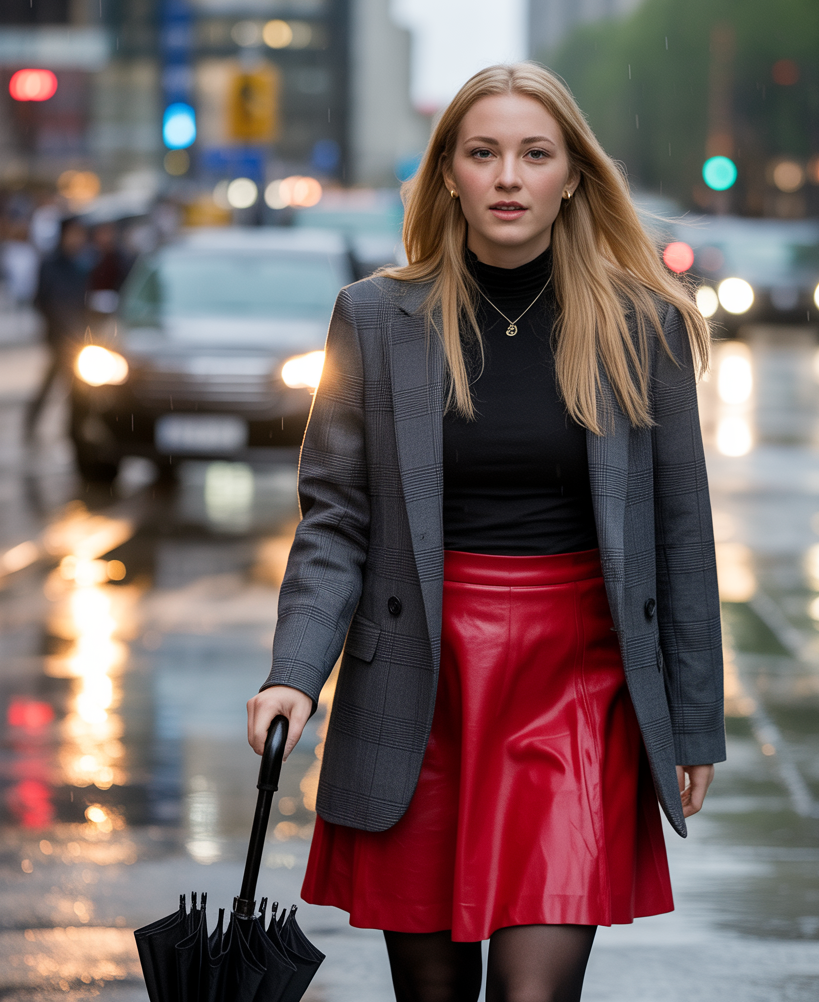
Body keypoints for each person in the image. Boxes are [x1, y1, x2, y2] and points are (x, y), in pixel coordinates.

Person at [247, 62, 724, 1002]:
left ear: (572, 176)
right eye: (483, 153)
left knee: (532, 991)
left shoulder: (646, 325)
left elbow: (683, 534)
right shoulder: (374, 318)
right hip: (419, 676)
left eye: (535, 154)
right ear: (448, 174)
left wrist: (692, 718)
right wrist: (293, 674)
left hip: (577, 681)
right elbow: (336, 520)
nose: (509, 177)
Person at [24, 216, 89, 442]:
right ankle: (66, 430)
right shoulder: (51, 264)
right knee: (59, 383)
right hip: (59, 337)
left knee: (76, 386)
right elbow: (42, 300)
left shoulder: (81, 264)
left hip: (78, 339)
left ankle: (74, 429)